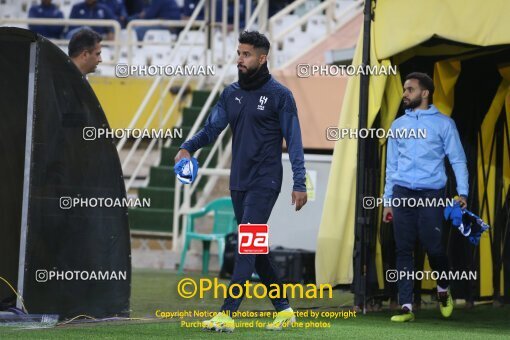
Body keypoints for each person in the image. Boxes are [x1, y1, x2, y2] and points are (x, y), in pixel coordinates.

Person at [174, 31, 307, 332]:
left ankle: (227, 313)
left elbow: (295, 141)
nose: (240, 59)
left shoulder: (280, 96)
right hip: (238, 182)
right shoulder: (230, 93)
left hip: (266, 181)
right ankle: (284, 310)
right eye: (239, 53)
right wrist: (188, 146)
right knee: (256, 249)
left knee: (247, 243)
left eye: (246, 55)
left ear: (262, 58)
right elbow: (211, 129)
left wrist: (300, 182)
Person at [382, 72, 468, 322]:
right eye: (404, 89)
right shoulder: (398, 126)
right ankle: (406, 306)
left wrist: (462, 193)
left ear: (425, 93)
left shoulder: (444, 124)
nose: (405, 94)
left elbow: (458, 160)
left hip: (432, 193)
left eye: (410, 90)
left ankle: (443, 288)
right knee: (403, 249)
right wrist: (388, 200)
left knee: (434, 247)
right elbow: (392, 166)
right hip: (401, 192)